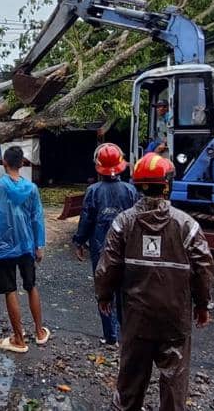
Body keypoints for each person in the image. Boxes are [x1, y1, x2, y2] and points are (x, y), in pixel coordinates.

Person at [95, 152, 214, 411]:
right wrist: (203, 305)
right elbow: (203, 267)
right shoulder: (187, 225)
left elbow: (108, 266)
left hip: (137, 317)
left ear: (137, 185)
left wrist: (103, 296)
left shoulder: (123, 223)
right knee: (174, 382)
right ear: (167, 185)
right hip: (174, 318)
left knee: (130, 381)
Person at [0, 145, 49, 353]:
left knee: (10, 289)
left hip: (3, 245)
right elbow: (37, 217)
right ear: (23, 163)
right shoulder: (32, 188)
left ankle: (19, 338)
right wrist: (39, 245)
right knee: (31, 286)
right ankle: (39, 332)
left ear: (4, 163)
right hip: (27, 244)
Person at [73, 143, 138, 346]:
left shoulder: (93, 191)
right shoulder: (130, 191)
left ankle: (110, 336)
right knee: (124, 292)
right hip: (126, 249)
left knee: (104, 291)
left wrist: (79, 241)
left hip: (100, 249)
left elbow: (86, 219)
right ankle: (124, 334)